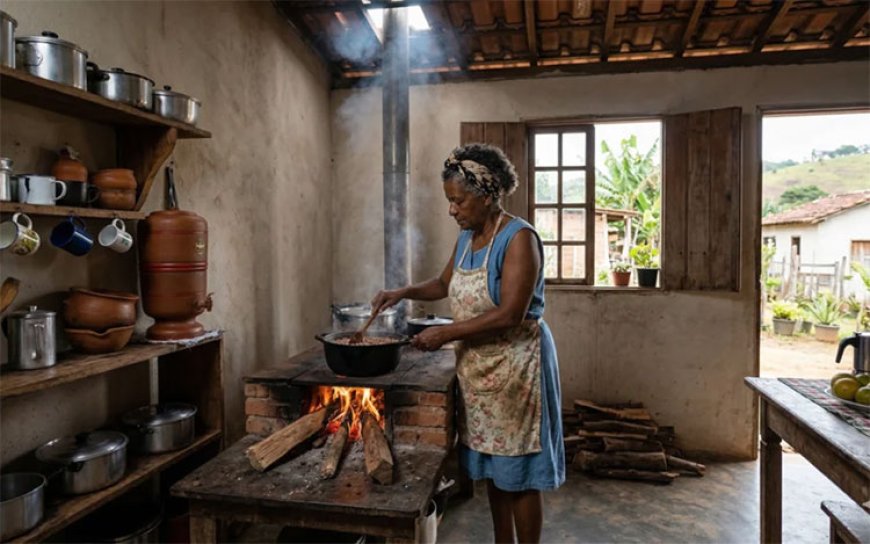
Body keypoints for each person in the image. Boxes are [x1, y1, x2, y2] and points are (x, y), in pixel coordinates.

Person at [371, 143, 565, 543]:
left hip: (517, 368)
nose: (452, 209)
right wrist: (402, 291)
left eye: (458, 200)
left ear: (487, 194)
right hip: (480, 369)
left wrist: (445, 333)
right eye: (449, 201)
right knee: (496, 469)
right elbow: (444, 284)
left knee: (520, 474)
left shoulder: (518, 239)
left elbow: (511, 313)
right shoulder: (467, 237)